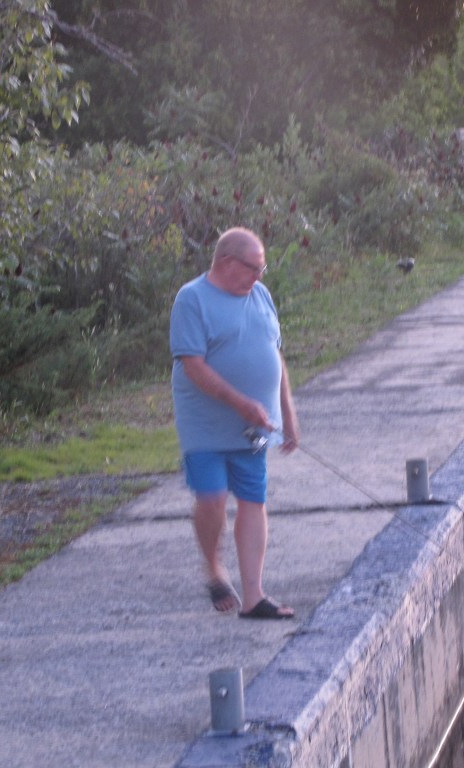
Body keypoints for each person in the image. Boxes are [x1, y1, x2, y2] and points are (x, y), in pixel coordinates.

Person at [170, 227, 300, 620]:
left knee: (253, 499)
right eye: (252, 268)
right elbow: (192, 365)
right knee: (211, 497)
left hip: (256, 425)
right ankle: (213, 568)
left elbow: (274, 356)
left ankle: (254, 596)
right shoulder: (192, 299)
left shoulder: (261, 295)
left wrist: (288, 414)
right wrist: (240, 403)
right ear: (226, 262)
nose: (259, 276)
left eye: (262, 269)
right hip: (206, 424)